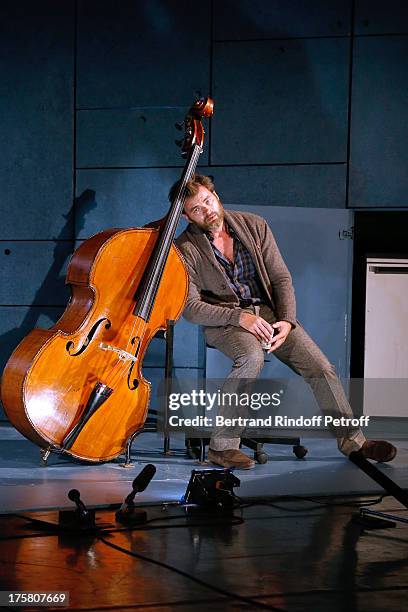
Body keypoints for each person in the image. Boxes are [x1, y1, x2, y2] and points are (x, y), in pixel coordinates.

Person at [172, 174, 397, 469]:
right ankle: (222, 447)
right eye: (197, 209)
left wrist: (288, 321)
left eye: (208, 200)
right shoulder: (184, 249)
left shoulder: (254, 225)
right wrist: (238, 317)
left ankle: (353, 441)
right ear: (187, 216)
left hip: (268, 313)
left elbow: (280, 278)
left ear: (216, 195)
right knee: (250, 356)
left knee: (320, 366)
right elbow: (190, 307)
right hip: (224, 321)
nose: (207, 210)